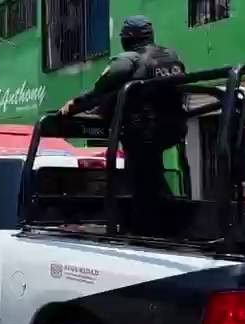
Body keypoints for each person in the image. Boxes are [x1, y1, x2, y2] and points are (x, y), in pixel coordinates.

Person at [58, 15, 187, 235]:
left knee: (141, 182)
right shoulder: (170, 56)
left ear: (127, 38)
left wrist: (74, 105)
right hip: (173, 128)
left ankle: (146, 231)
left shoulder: (128, 59)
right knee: (152, 175)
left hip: (142, 131)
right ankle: (166, 224)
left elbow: (101, 90)